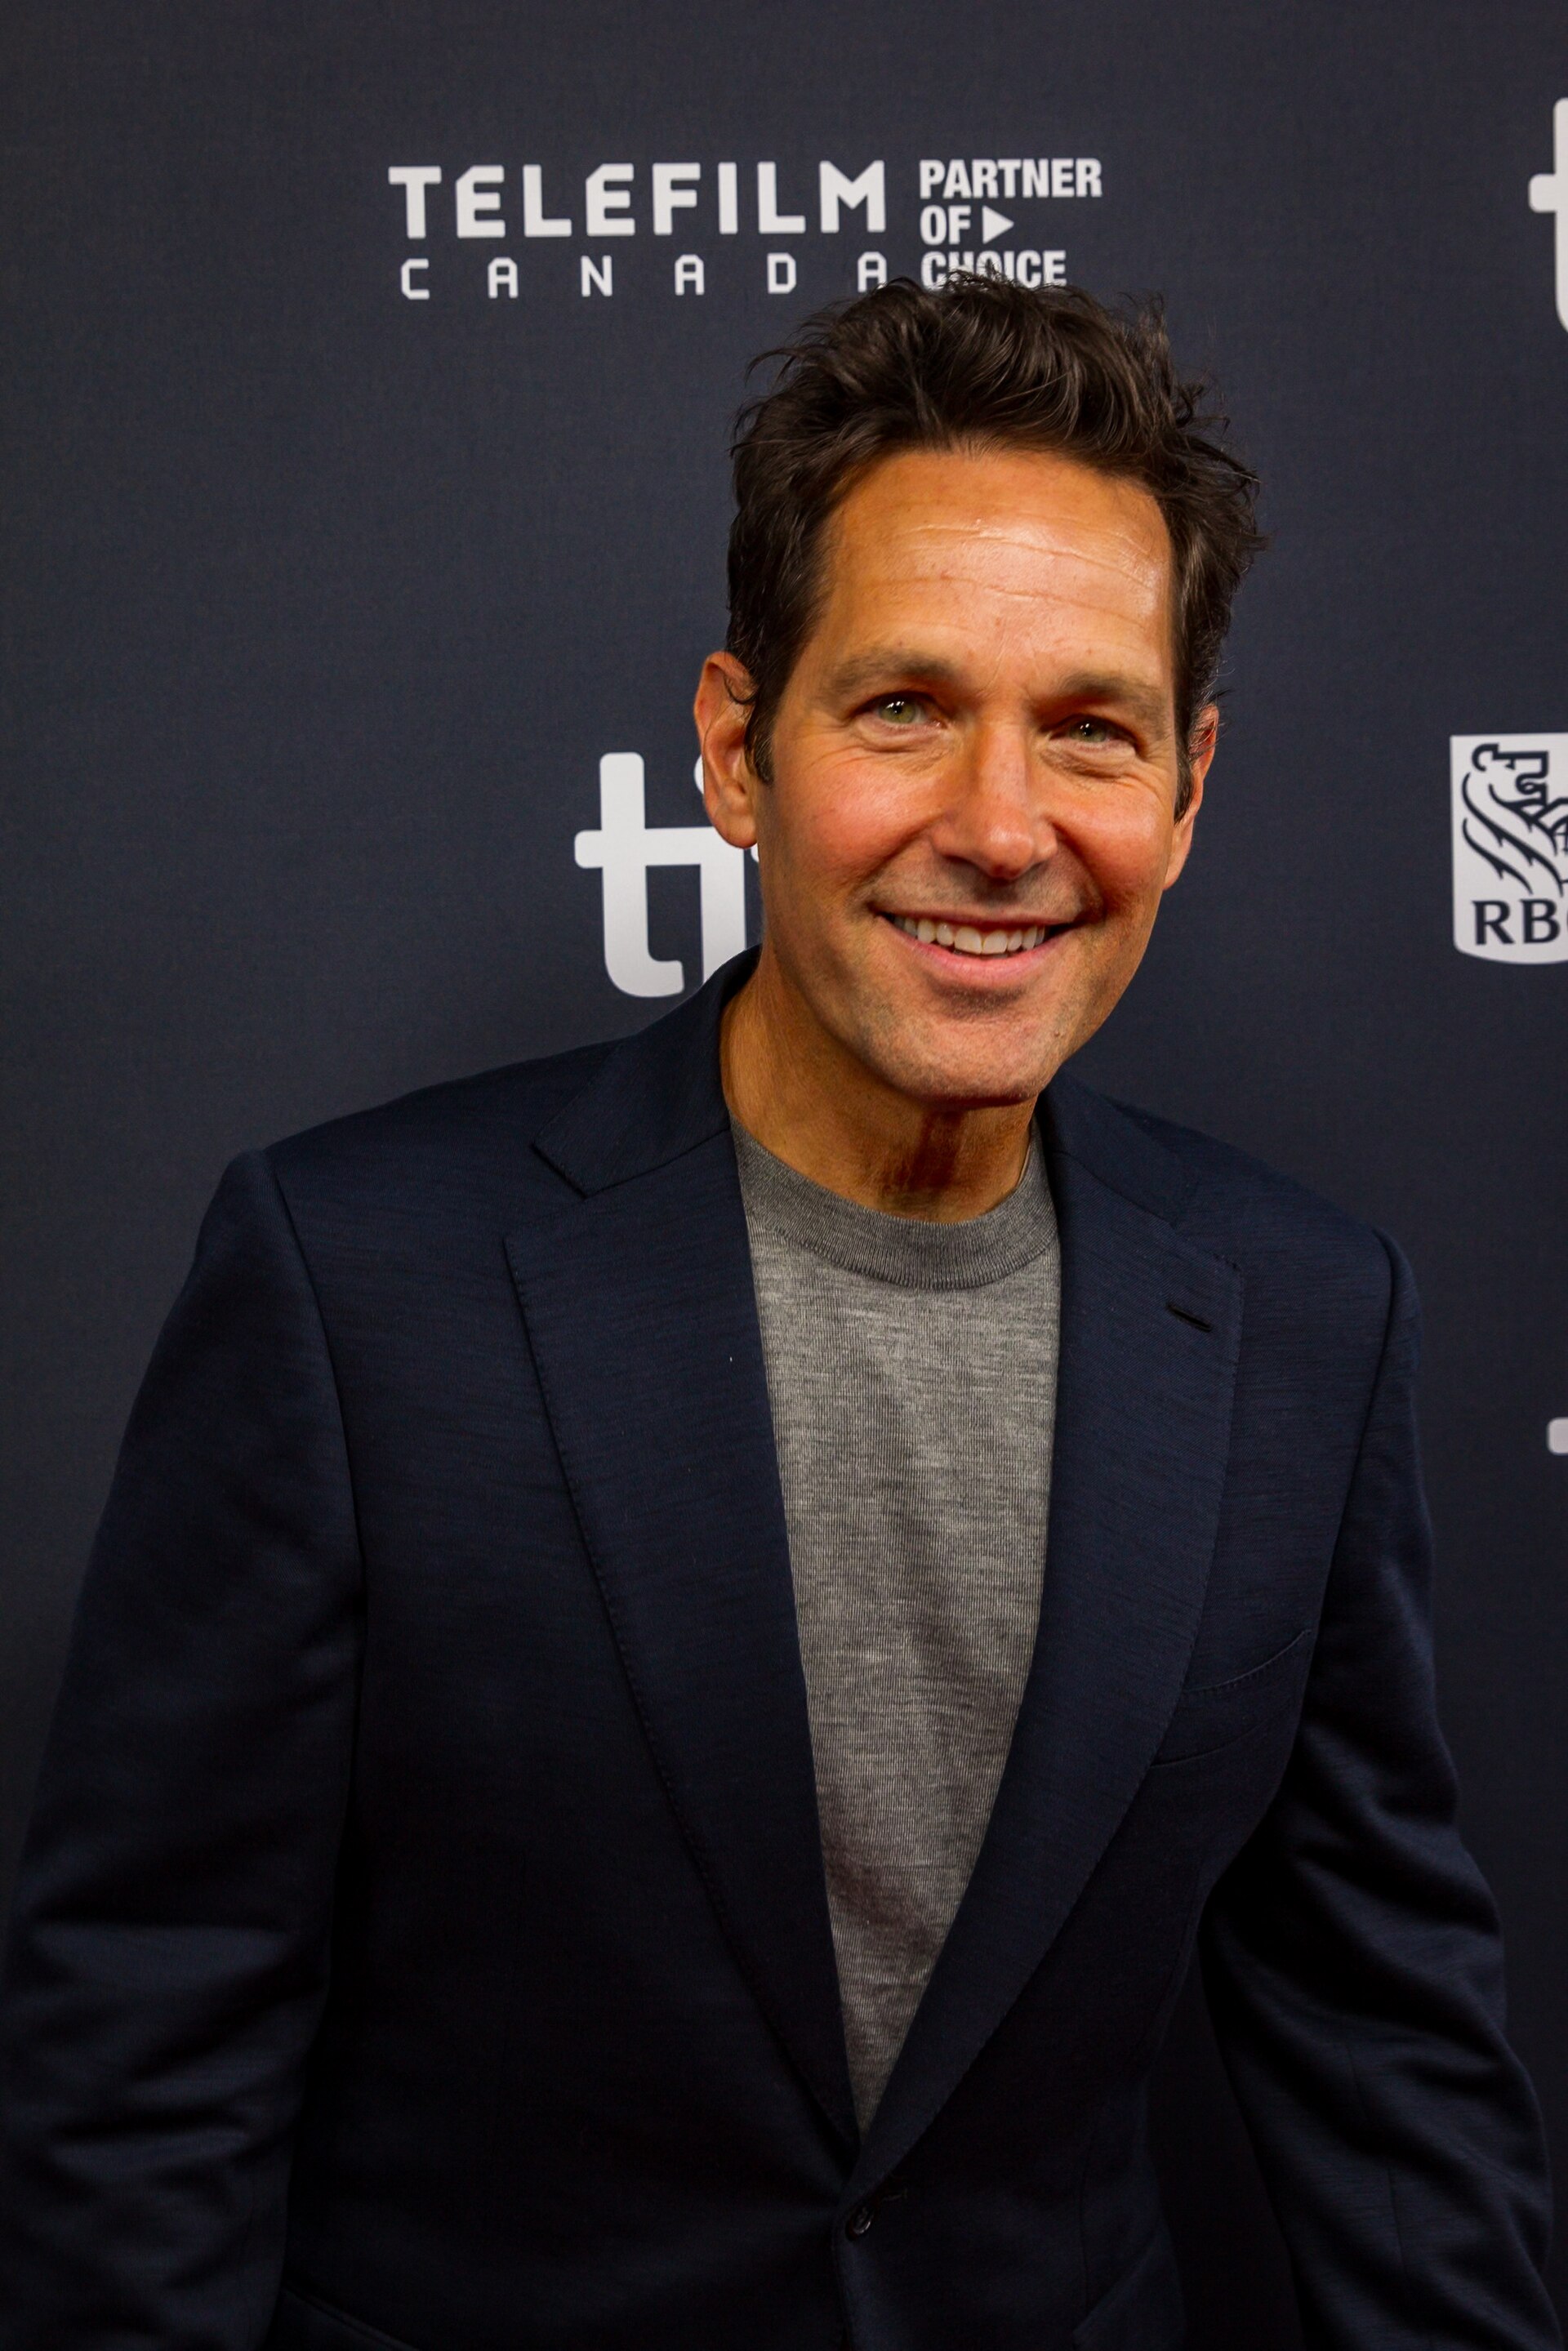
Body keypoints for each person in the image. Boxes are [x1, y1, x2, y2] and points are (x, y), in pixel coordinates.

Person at [0, 278, 1557, 2351]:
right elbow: (149, 2053)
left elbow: (1387, 2053)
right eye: (905, 707)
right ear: (738, 750)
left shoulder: (1306, 1315)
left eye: (1090, 729)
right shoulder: (354, 1280)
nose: (999, 829)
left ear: (1186, 789)